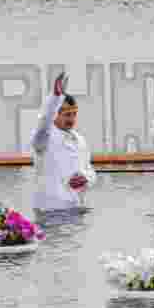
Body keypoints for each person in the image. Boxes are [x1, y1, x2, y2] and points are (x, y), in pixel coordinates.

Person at [30, 72, 96, 212]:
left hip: (77, 208)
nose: (71, 119)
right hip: (50, 211)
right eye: (67, 114)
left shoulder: (80, 140)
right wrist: (55, 97)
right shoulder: (44, 138)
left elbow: (90, 170)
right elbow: (43, 122)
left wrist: (86, 179)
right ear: (55, 114)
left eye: (74, 114)